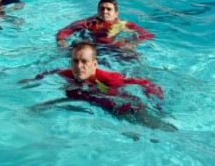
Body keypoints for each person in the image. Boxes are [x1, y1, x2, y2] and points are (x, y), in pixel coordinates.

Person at [19, 42, 175, 131]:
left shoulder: (109, 79)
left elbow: (147, 84)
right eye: (75, 61)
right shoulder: (67, 73)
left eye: (84, 62)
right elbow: (51, 72)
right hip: (93, 103)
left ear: (94, 64)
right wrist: (32, 80)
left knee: (156, 128)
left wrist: (157, 106)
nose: (79, 66)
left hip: (125, 109)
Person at [56, 0, 154, 50]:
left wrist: (133, 44)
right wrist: (62, 41)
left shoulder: (123, 24)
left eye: (108, 9)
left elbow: (148, 35)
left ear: (116, 14)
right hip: (91, 48)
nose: (104, 12)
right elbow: (64, 31)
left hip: (114, 49)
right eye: (101, 9)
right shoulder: (88, 22)